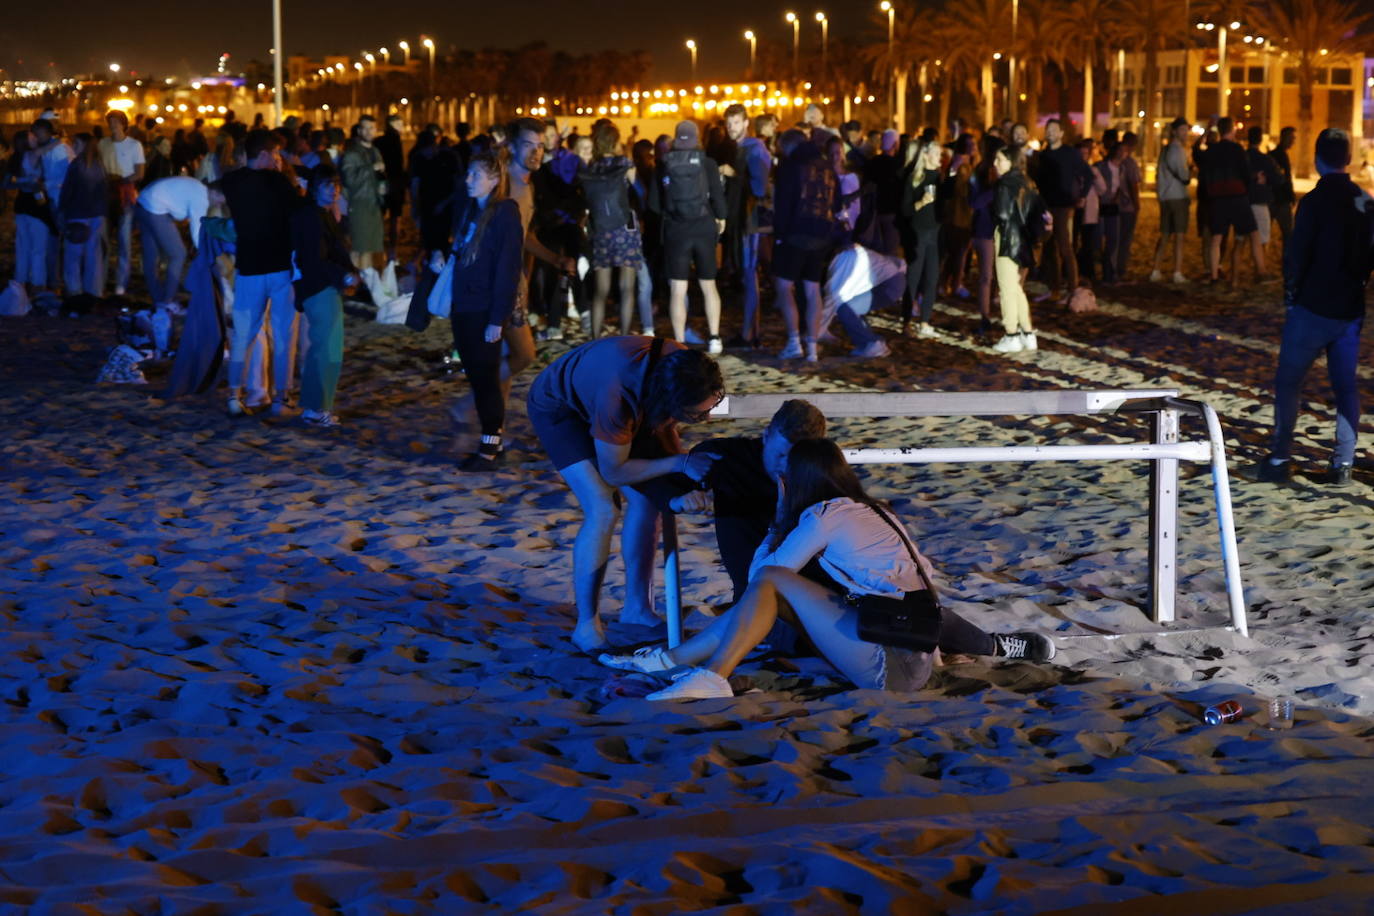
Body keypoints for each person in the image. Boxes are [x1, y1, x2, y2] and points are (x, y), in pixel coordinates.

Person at [602, 438, 1056, 701]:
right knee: (779, 591)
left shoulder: (823, 516)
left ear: (796, 481)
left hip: (893, 669)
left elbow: (763, 576)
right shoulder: (872, 510)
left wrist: (779, 517)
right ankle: (677, 663)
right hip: (913, 650)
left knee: (773, 582)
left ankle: (707, 675)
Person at [526, 337, 724, 651]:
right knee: (604, 507)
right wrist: (680, 461)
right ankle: (587, 625)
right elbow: (614, 471)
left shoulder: (685, 365)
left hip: (624, 394)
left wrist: (682, 477)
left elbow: (663, 430)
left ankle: (637, 609)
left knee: (647, 499)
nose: (707, 420)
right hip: (559, 407)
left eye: (708, 411)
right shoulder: (617, 396)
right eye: (697, 416)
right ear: (671, 400)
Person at [1256, 129, 1373, 488]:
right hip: (1348, 309)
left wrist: (1291, 295)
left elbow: (1296, 254)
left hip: (1311, 307)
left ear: (1318, 159)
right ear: (1348, 159)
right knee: (1345, 387)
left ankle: (1279, 456)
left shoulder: (1313, 201)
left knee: (1289, 382)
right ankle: (1343, 462)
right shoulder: (1365, 202)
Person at [221, 129, 300, 417]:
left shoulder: (232, 182)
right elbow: (298, 212)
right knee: (283, 334)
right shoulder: (278, 181)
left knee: (243, 334)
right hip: (279, 267)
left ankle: (234, 395)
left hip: (248, 267)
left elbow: (217, 195)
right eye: (276, 154)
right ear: (266, 154)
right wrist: (284, 176)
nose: (278, 159)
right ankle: (282, 398)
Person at [289, 163, 356, 428]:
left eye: (337, 184)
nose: (335, 190)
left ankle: (315, 407)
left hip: (321, 286)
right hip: (318, 287)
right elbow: (315, 260)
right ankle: (317, 408)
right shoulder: (311, 217)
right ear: (316, 188)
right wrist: (344, 276)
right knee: (326, 349)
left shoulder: (320, 214)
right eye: (329, 185)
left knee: (324, 347)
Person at [653, 120, 727, 351]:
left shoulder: (664, 164)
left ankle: (678, 341)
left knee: (678, 289)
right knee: (708, 285)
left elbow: (654, 204)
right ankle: (714, 338)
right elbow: (717, 195)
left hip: (677, 229)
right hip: (704, 227)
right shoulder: (708, 163)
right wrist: (721, 218)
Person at [772, 129, 837, 361]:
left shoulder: (791, 166)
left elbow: (783, 203)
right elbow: (835, 201)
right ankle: (812, 347)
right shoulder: (827, 165)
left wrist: (779, 234)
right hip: (822, 233)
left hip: (796, 233)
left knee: (784, 286)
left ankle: (793, 341)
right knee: (812, 289)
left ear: (788, 146)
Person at [580, 121, 645, 338]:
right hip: (625, 229)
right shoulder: (625, 164)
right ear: (616, 141)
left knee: (600, 290)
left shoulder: (592, 168)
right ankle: (625, 336)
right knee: (627, 288)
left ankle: (595, 338)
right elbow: (640, 191)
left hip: (601, 231)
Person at [721, 104, 772, 349]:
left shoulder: (754, 148)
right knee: (747, 275)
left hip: (750, 220)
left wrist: (733, 175)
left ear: (746, 122)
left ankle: (750, 334)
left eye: (736, 123)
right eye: (729, 123)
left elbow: (760, 188)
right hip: (743, 218)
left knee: (750, 274)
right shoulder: (740, 147)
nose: (731, 128)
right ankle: (751, 331)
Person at [992, 145, 1046, 354]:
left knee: (1007, 288)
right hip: (1023, 239)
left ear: (1011, 161)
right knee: (1015, 288)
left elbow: (1003, 214)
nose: (996, 164)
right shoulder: (1028, 181)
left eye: (1000, 160)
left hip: (1007, 238)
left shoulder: (1004, 184)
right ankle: (1028, 333)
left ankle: (1011, 334)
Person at [1199, 118, 1264, 285]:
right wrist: (1254, 180)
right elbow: (1246, 172)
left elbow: (1204, 171)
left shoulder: (1211, 151)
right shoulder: (1237, 149)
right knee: (1254, 234)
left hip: (1218, 198)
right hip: (1237, 196)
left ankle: (1214, 276)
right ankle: (1261, 271)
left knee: (1216, 238)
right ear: (1232, 130)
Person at [135, 174, 213, 312]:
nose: (218, 204)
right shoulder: (202, 198)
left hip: (143, 202)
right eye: (221, 201)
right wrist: (205, 252)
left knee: (150, 257)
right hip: (155, 207)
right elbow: (197, 230)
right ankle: (167, 302)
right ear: (217, 194)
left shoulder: (197, 186)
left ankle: (159, 299)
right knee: (178, 255)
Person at [1034, 119, 1091, 302]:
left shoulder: (1070, 153)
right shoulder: (1042, 156)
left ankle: (1073, 289)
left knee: (1065, 246)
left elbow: (1088, 174)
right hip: (1045, 205)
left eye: (1053, 130)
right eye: (1047, 129)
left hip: (1063, 206)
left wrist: (1082, 195)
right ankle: (1054, 289)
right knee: (1049, 249)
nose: (1049, 132)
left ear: (1061, 133)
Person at [901, 139, 947, 338]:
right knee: (913, 277)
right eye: (937, 154)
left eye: (941, 155)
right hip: (918, 233)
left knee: (932, 278)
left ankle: (925, 321)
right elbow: (905, 210)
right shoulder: (914, 178)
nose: (940, 158)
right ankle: (906, 321)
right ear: (926, 155)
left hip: (935, 233)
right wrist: (921, 203)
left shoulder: (939, 178)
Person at [98, 110, 146, 297]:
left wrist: (120, 181)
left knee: (124, 243)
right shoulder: (103, 144)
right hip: (105, 196)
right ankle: (99, 281)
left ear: (124, 124)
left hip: (125, 196)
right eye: (110, 122)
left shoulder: (134, 145)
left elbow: (139, 173)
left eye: (116, 122)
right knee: (103, 242)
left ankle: (121, 283)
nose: (113, 125)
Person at [58, 132, 107, 300]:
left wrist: (61, 211)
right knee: (94, 254)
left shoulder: (77, 165)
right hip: (97, 214)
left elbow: (67, 191)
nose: (73, 147)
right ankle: (94, 291)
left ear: (83, 145)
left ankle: (74, 290)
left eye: (76, 143)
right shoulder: (99, 165)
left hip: (78, 214)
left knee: (73, 255)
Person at [340, 115, 385, 270]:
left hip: (374, 204)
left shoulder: (375, 151)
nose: (368, 131)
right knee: (360, 249)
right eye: (365, 128)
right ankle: (358, 284)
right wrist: (371, 169)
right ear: (359, 130)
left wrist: (383, 189)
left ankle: (366, 284)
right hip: (359, 204)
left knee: (370, 249)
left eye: (371, 128)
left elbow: (380, 177)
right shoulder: (352, 153)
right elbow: (350, 180)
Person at [31, 118, 72, 289]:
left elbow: (68, 176)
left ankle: (64, 281)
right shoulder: (47, 149)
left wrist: (45, 184)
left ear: (47, 132)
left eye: (38, 133)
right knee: (54, 240)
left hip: (60, 199)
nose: (36, 136)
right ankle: (55, 280)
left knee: (64, 241)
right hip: (52, 199)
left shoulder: (60, 149)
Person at [1150, 117, 1192, 284]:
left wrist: (1160, 194)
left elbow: (1159, 175)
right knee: (1179, 236)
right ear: (1175, 131)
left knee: (1165, 234)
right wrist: (1189, 172)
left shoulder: (1165, 150)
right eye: (1183, 130)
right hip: (1178, 196)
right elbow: (1183, 175)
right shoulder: (1178, 150)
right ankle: (1177, 271)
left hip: (1165, 197)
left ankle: (1156, 270)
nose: (1186, 133)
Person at [1246, 126, 1281, 268]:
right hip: (1260, 200)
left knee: (1240, 240)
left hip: (1243, 201)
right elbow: (1278, 179)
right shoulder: (1264, 159)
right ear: (1260, 139)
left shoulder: (1243, 157)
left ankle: (1234, 278)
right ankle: (1260, 269)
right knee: (1263, 238)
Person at [374, 113, 407, 256]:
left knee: (380, 215)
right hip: (394, 182)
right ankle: (392, 251)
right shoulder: (396, 140)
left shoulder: (378, 141)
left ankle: (378, 246)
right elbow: (399, 164)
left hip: (380, 181)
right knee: (395, 216)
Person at [1113, 132, 1141, 282]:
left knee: (1115, 238)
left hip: (1115, 205)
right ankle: (1120, 269)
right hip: (1127, 206)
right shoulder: (1130, 163)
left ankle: (1113, 268)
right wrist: (1136, 204)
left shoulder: (1116, 161)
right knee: (1125, 239)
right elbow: (1133, 184)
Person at [1269, 126, 1297, 251]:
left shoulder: (1274, 154)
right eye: (1291, 138)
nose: (1293, 141)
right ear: (1284, 138)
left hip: (1273, 199)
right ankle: (1287, 266)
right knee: (1288, 235)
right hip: (1280, 200)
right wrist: (1290, 196)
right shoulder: (1280, 155)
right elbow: (1286, 179)